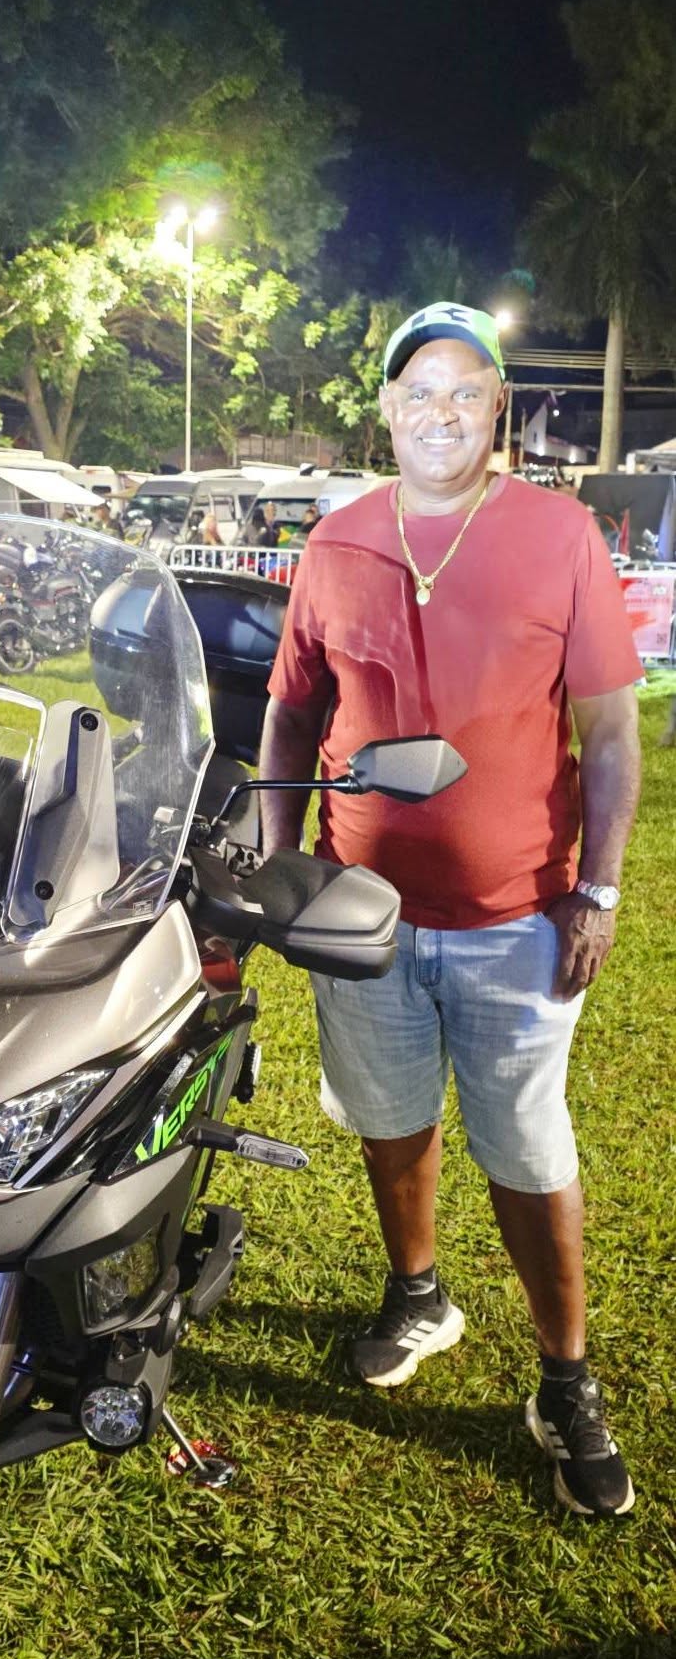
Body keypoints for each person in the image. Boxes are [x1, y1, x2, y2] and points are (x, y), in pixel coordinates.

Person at [260, 301, 642, 1519]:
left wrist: (598, 887)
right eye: (419, 390)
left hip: (517, 916)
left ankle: (565, 1379)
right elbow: (290, 712)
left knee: (528, 1150)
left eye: (465, 390)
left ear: (497, 408)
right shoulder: (336, 541)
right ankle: (419, 1291)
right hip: (359, 910)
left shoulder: (559, 533)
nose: (441, 411)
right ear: (386, 409)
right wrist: (278, 866)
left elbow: (612, 731)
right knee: (390, 1122)